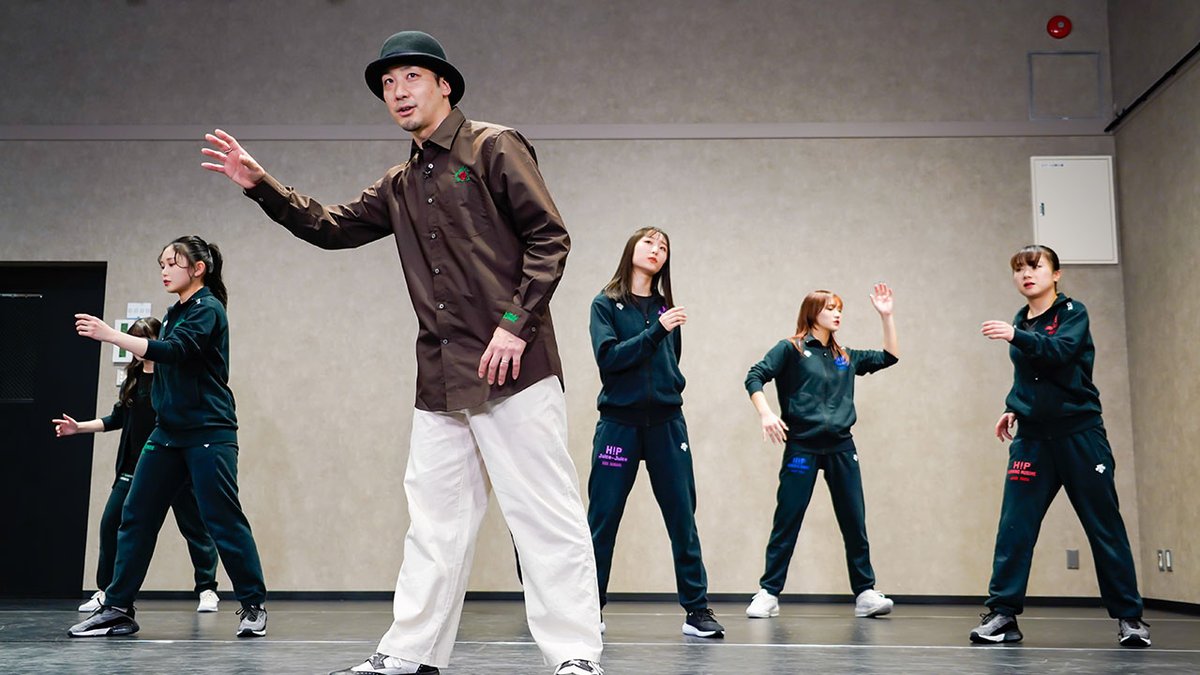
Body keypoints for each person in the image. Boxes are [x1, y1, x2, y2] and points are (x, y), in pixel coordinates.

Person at [201, 31, 602, 675]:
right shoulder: (400, 182)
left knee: (544, 516)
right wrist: (261, 185)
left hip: (514, 370)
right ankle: (411, 653)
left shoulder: (494, 146)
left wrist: (513, 326)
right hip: (440, 380)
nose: (397, 92)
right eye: (387, 84)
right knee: (434, 525)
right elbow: (330, 227)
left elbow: (549, 238)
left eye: (410, 77)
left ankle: (576, 654)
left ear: (444, 84)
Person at [67, 236, 269, 639]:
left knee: (222, 519)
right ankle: (118, 608)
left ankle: (253, 605)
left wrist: (112, 335)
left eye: (172, 263)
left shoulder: (208, 308)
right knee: (136, 516)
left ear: (198, 268)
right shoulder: (175, 311)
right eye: (161, 264)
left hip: (209, 431)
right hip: (168, 434)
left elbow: (175, 350)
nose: (164, 271)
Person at [972, 244, 1149, 648]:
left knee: (1104, 526)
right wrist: (1013, 406)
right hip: (1033, 440)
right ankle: (1003, 615)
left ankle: (1130, 618)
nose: (1026, 274)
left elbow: (1060, 354)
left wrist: (1015, 336)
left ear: (1056, 274)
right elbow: (1031, 376)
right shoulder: (1022, 319)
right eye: (1019, 269)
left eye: (1035, 267)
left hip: (1079, 435)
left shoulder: (1072, 313)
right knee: (1015, 527)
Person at [587, 227, 724, 639]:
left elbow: (669, 361)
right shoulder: (605, 304)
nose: (656, 249)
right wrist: (656, 330)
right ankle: (589, 608)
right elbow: (610, 359)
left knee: (683, 517)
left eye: (663, 246)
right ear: (631, 248)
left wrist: (661, 330)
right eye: (649, 242)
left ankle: (696, 610)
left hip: (666, 423)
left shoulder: (665, 308)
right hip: (619, 425)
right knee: (603, 519)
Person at [743, 284, 898, 620]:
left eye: (839, 308)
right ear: (813, 313)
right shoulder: (791, 349)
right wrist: (766, 413)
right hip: (802, 445)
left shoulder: (846, 356)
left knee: (853, 520)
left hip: (841, 446)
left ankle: (865, 593)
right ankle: (768, 593)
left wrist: (886, 316)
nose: (837, 313)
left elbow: (889, 356)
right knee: (788, 518)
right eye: (830, 308)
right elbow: (754, 376)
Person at [53, 317, 221, 615]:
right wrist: (79, 427)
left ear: (158, 339)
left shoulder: (173, 375)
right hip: (134, 468)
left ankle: (207, 589)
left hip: (175, 466)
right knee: (111, 525)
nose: (137, 348)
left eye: (144, 338)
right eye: (134, 339)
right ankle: (106, 591)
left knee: (196, 530)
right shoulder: (133, 378)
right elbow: (118, 418)